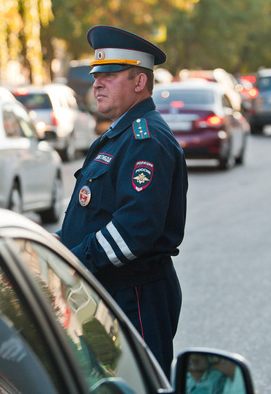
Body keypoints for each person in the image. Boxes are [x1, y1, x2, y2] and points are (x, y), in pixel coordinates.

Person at [55, 25, 188, 376]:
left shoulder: (146, 140)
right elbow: (94, 214)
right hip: (108, 291)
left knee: (137, 382)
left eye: (110, 75)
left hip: (134, 297)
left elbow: (135, 230)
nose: (97, 83)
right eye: (96, 75)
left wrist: (71, 262)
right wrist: (53, 245)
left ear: (140, 81)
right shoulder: (121, 135)